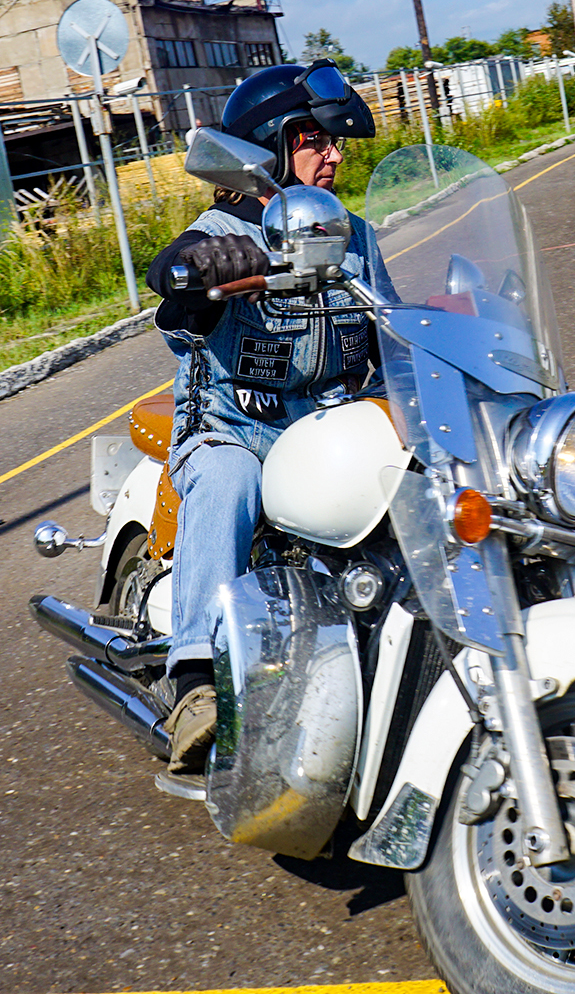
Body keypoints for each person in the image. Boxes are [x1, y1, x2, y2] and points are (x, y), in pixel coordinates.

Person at [142, 60, 380, 789]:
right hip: (234, 430)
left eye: (336, 142)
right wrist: (217, 266)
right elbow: (173, 280)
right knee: (226, 477)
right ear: (268, 148)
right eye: (315, 139)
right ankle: (193, 684)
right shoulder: (220, 232)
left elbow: (396, 336)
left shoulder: (355, 233)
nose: (334, 155)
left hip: (328, 430)